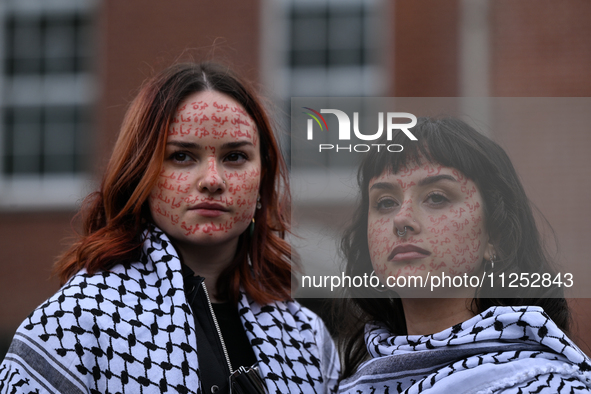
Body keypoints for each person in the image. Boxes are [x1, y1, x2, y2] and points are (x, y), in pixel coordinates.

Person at [0, 62, 339, 394]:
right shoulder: (76, 324)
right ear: (140, 174)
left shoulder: (306, 338)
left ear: (262, 179)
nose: (212, 180)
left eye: (234, 156)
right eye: (182, 156)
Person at [336, 117, 591, 393]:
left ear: (495, 236)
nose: (402, 219)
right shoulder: (347, 386)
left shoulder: (548, 386)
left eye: (436, 197)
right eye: (385, 202)